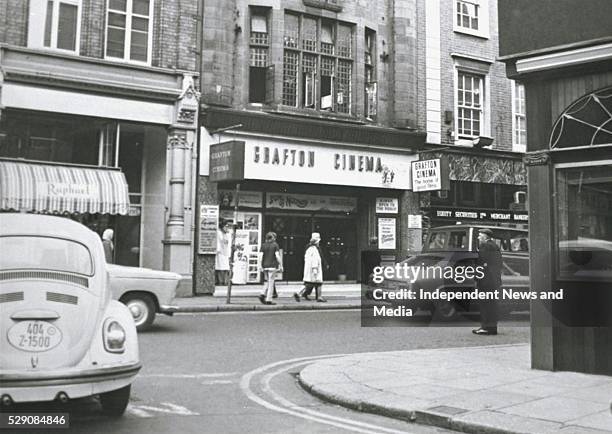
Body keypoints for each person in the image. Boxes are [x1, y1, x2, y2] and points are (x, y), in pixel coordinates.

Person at [473, 228, 502, 335]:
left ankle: (485, 327)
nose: (478, 237)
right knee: (492, 304)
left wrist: (477, 277)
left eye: (480, 235)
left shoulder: (485, 246)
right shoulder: (495, 246)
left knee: (485, 305)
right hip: (494, 280)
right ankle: (492, 327)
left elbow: (482, 264)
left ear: (485, 236)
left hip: (486, 281)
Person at [294, 232, 326, 302]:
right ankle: (319, 297)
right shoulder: (315, 250)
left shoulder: (308, 249)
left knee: (308, 283)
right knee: (318, 283)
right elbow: (315, 260)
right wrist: (315, 270)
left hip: (308, 270)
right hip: (314, 270)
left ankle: (299, 293)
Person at [258, 232, 282, 305]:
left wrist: (260, 266)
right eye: (274, 237)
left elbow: (260, 257)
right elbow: (277, 256)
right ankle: (269, 299)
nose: (275, 239)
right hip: (272, 266)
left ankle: (262, 294)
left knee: (267, 281)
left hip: (265, 266)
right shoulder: (275, 245)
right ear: (272, 238)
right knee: (271, 283)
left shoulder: (263, 245)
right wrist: (281, 265)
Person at [215, 220, 232, 286]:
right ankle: (220, 281)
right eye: (226, 227)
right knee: (220, 268)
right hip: (220, 252)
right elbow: (218, 242)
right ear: (222, 227)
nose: (227, 228)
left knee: (226, 268)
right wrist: (218, 250)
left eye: (228, 227)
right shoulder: (219, 233)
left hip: (226, 252)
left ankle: (225, 281)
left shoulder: (228, 234)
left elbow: (229, 243)